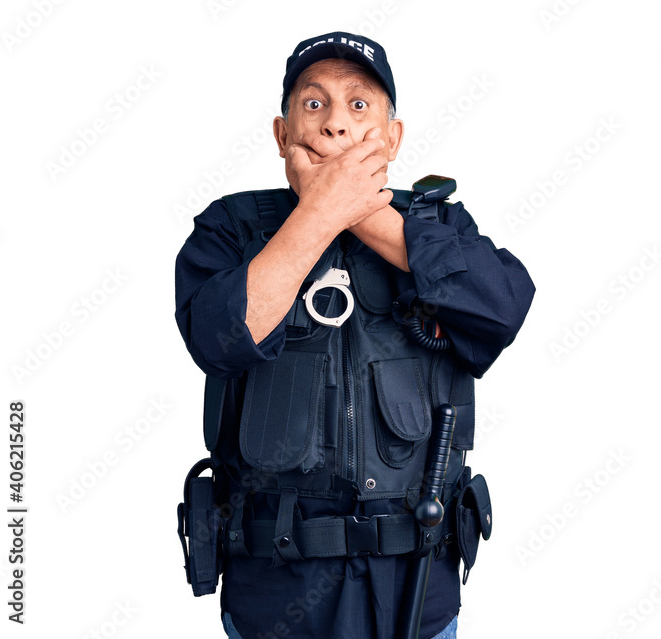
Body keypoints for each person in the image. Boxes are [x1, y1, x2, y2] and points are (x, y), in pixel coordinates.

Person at [174, 32, 534, 639]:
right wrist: (318, 214)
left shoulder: (442, 226)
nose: (335, 123)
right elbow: (218, 340)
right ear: (282, 134)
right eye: (314, 104)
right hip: (275, 600)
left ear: (392, 137)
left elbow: (501, 309)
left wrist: (362, 210)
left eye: (359, 105)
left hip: (414, 595)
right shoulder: (230, 228)